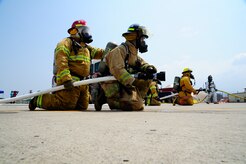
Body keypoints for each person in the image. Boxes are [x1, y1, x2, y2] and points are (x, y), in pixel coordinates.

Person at [29, 20, 104, 111]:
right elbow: (61, 61)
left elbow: (101, 53)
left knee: (83, 107)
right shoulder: (66, 43)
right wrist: (66, 79)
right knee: (65, 104)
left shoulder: (86, 47)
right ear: (76, 31)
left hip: (83, 83)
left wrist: (113, 50)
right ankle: (38, 99)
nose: (87, 34)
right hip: (70, 80)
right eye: (84, 31)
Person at [94, 24, 157, 111]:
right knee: (135, 105)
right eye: (142, 39)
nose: (143, 42)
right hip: (113, 83)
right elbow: (117, 70)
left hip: (123, 83)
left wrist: (148, 68)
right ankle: (104, 96)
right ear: (135, 37)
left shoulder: (132, 52)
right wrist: (134, 81)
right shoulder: (121, 50)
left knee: (146, 82)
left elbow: (140, 62)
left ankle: (131, 97)